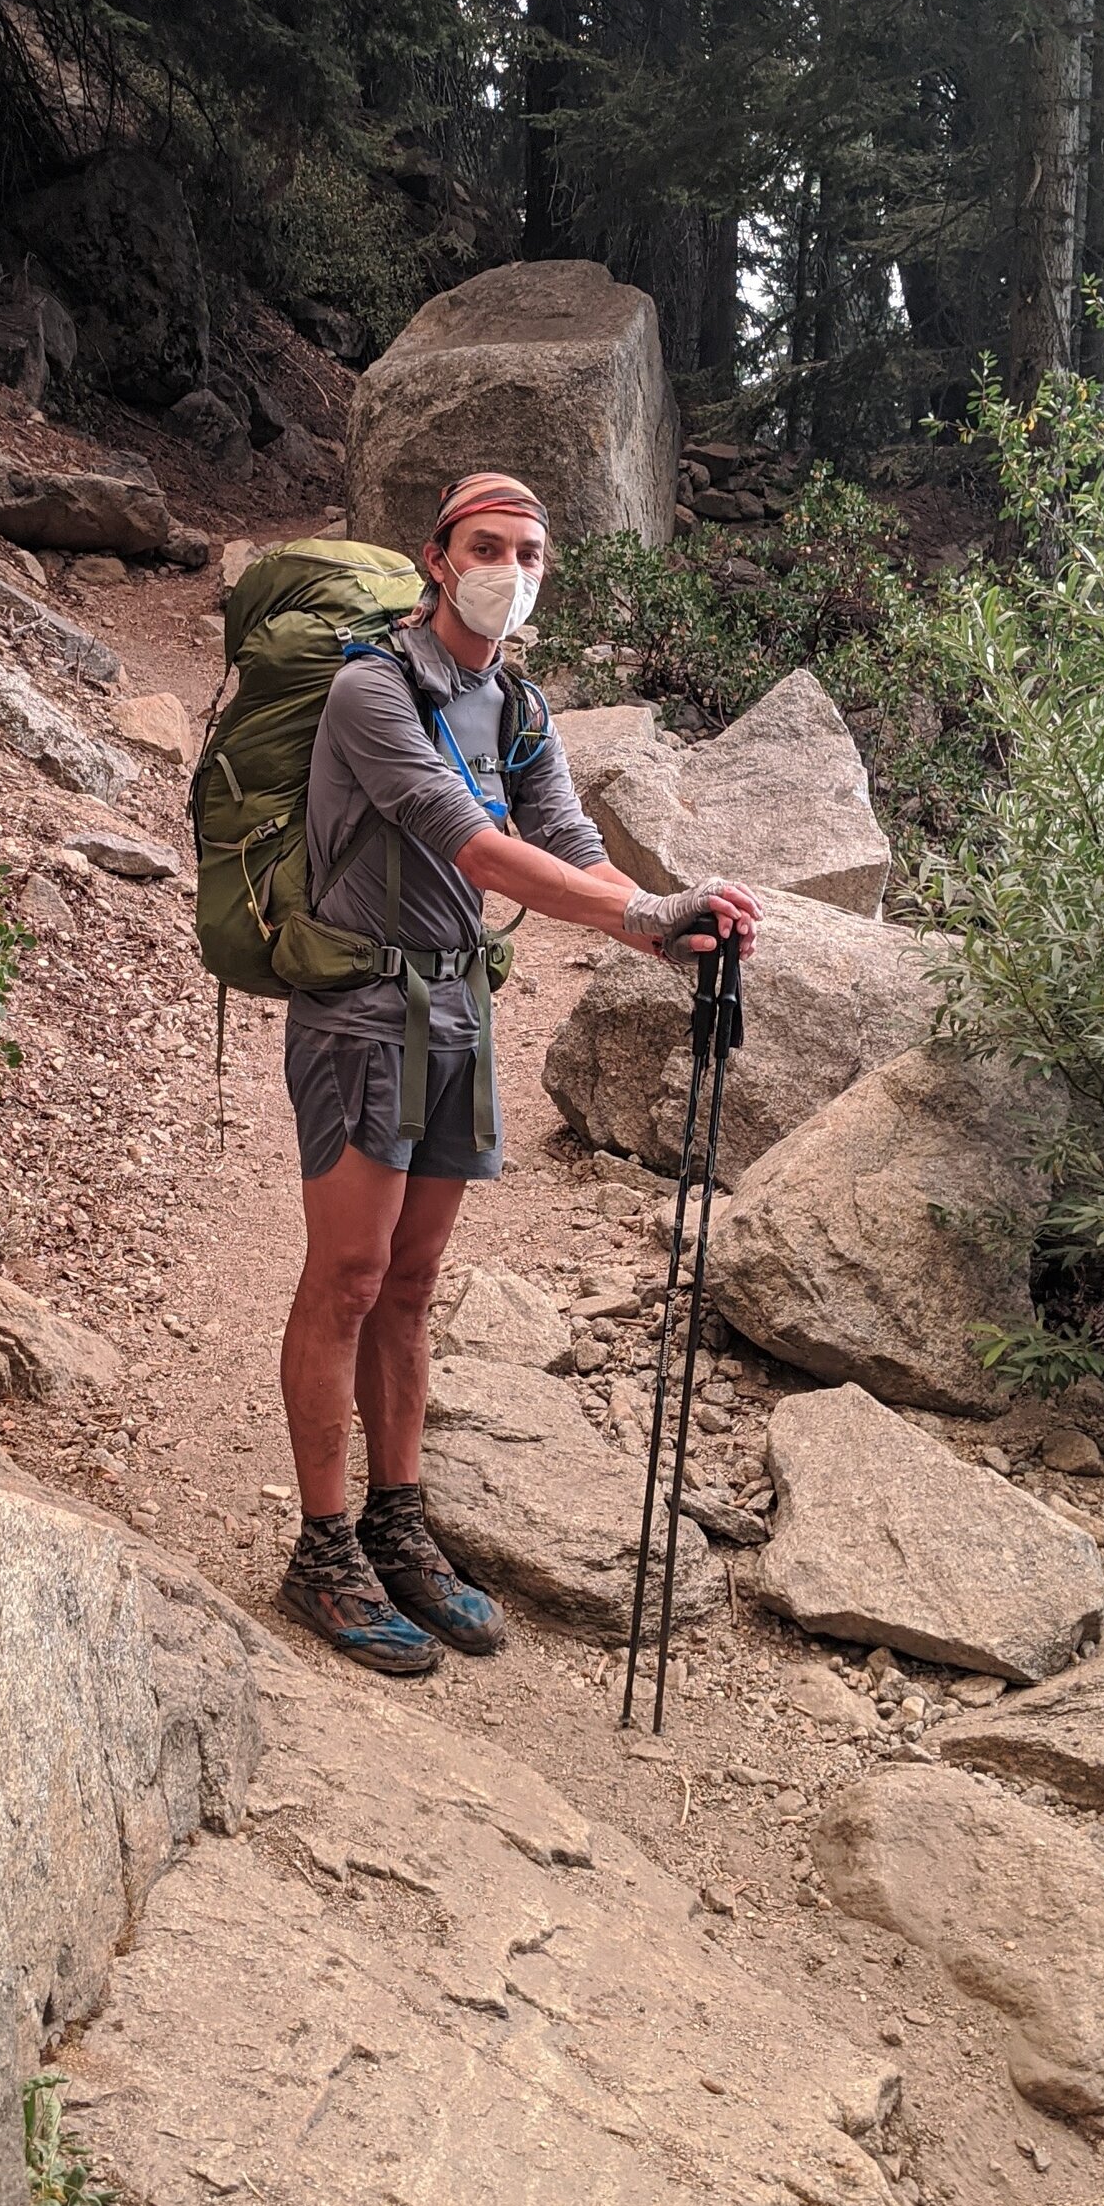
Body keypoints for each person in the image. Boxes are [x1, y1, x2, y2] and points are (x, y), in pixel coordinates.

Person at [277, 469, 762, 1675]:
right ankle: (321, 1549)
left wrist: (670, 912)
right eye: (489, 547)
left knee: (414, 1279)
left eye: (532, 554)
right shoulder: (369, 690)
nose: (511, 571)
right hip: (358, 1009)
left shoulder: (520, 705)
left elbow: (571, 846)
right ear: (437, 558)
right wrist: (642, 919)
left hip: (454, 1002)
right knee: (346, 1275)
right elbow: (480, 847)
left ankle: (400, 1525)